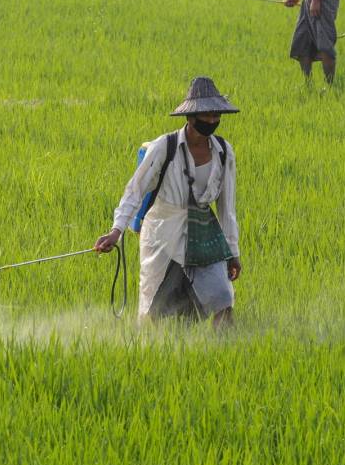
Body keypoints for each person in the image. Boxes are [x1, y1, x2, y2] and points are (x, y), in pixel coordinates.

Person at [94, 77, 242, 328]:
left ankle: (223, 345)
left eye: (216, 115)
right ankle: (154, 344)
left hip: (204, 232)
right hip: (164, 234)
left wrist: (233, 253)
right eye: (207, 115)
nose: (212, 120)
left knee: (223, 297)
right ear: (191, 117)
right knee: (156, 308)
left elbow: (227, 208)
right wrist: (116, 231)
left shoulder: (224, 152)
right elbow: (135, 191)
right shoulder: (165, 147)